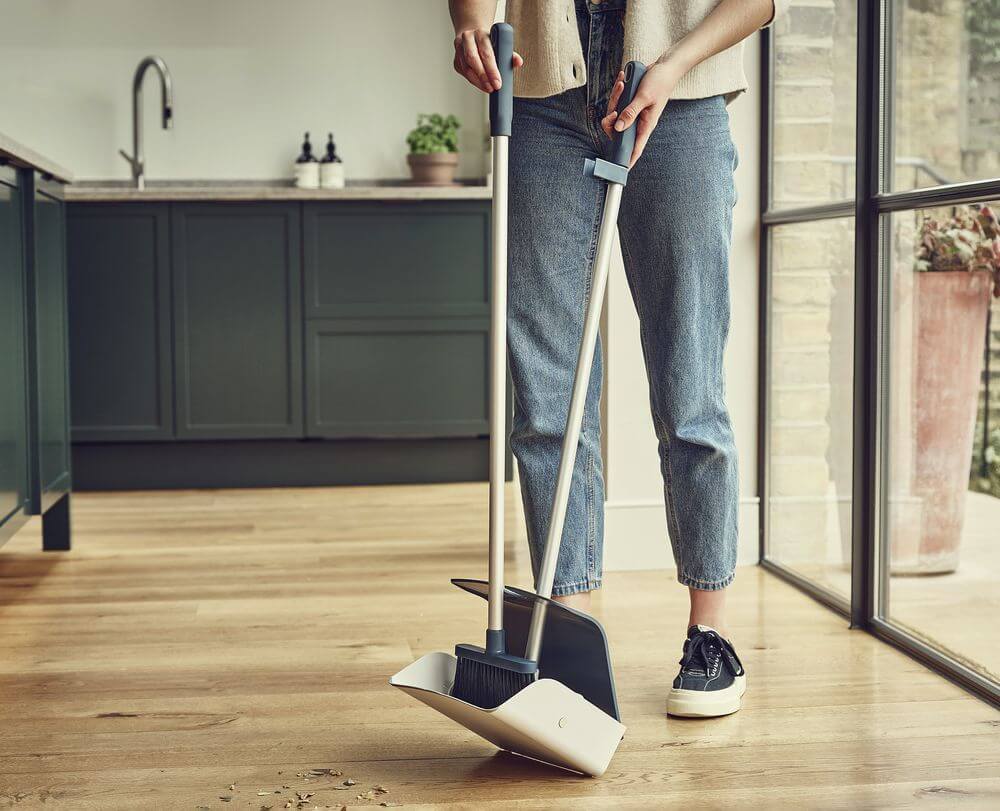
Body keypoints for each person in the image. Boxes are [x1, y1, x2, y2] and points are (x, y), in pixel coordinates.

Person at [448, 0, 784, 717]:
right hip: (542, 103)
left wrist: (674, 63)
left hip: (681, 101)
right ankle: (571, 641)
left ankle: (710, 635)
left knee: (689, 385)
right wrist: (471, 25)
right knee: (547, 394)